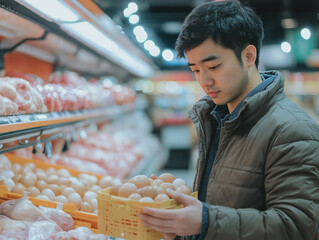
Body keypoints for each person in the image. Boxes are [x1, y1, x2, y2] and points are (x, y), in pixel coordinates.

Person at [139, 0, 319, 239]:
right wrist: (184, 221)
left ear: (248, 55)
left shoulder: (292, 129)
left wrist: (205, 221)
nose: (204, 80)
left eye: (213, 66)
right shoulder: (215, 119)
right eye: (195, 69)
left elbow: (297, 226)